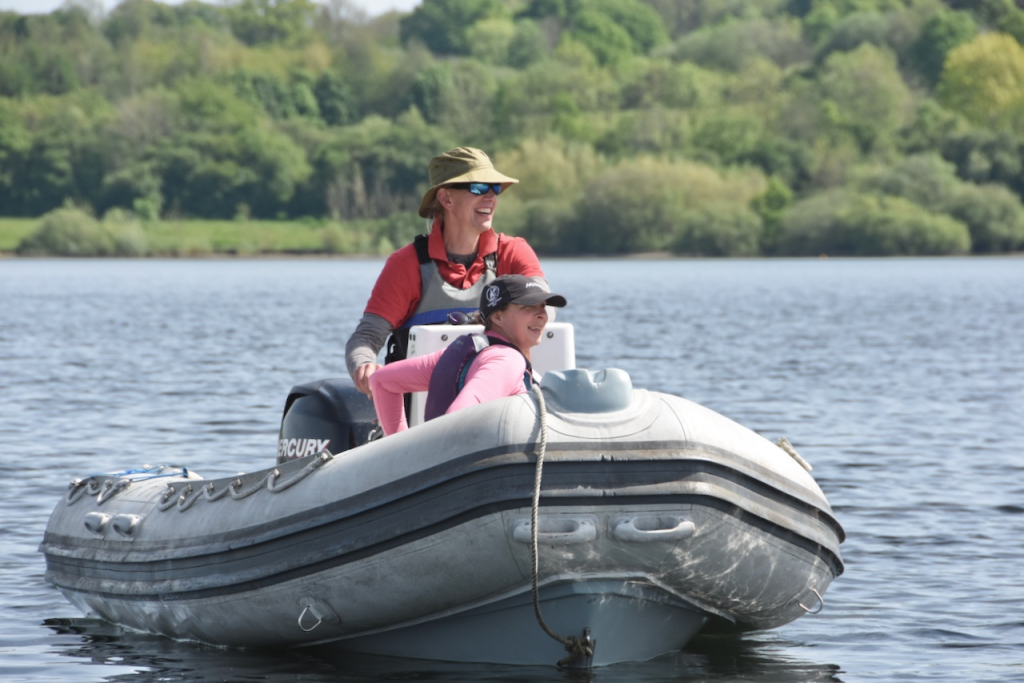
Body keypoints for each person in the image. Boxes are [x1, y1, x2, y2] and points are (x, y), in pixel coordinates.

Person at [345, 146, 551, 395]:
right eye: (478, 188)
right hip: (422, 410)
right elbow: (366, 338)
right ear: (446, 198)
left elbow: (545, 310)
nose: (490, 197)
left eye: (494, 188)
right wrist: (364, 366)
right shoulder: (406, 264)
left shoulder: (514, 252)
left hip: (505, 405)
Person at [369, 274, 567, 435]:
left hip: (437, 464)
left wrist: (401, 450)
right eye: (529, 307)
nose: (542, 315)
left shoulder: (460, 351)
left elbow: (382, 381)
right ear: (498, 317)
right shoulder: (507, 360)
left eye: (543, 307)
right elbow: (457, 418)